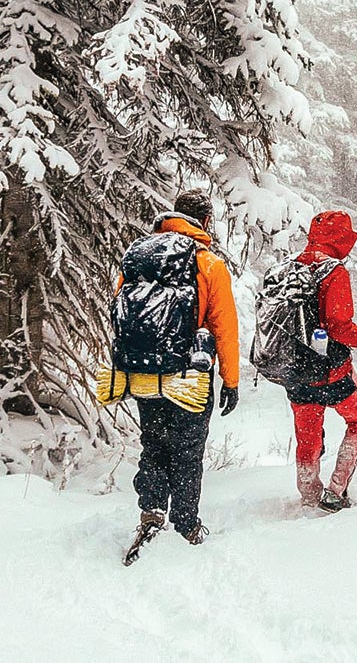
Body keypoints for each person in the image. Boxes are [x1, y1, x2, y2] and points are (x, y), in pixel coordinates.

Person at [119, 193, 239, 551]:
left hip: (144, 370)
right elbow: (224, 328)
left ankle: (152, 514)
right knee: (187, 449)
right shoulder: (209, 264)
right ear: (204, 221)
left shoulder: (139, 258)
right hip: (190, 372)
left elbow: (123, 316)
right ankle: (186, 525)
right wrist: (231, 380)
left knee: (153, 444)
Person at [286, 209, 357, 511]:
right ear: (342, 239)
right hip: (331, 372)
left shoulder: (290, 268)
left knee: (308, 434)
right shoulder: (333, 271)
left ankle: (309, 494)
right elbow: (339, 327)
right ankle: (336, 490)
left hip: (296, 371)